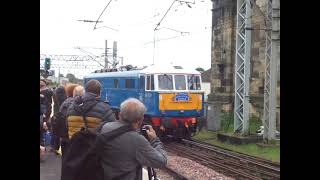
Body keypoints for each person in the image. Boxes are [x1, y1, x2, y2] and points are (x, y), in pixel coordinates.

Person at [99, 98, 167, 180]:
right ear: (141, 120)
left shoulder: (104, 127)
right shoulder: (137, 140)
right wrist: (155, 140)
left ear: (119, 115)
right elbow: (161, 162)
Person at [58, 84, 84, 156]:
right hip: (75, 137)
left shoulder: (64, 103)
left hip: (64, 136)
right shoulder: (80, 104)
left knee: (65, 159)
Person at [51, 84, 67, 155]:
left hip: (56, 114)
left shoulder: (55, 95)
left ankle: (55, 147)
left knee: (55, 132)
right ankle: (62, 149)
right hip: (62, 115)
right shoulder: (65, 98)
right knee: (63, 132)